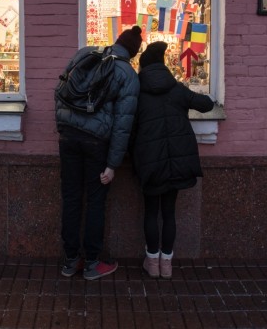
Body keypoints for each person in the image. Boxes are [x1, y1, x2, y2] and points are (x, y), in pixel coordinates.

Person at [55, 26, 143, 280]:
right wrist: (112, 164)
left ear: (117, 41)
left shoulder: (85, 53)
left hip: (68, 137)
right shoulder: (128, 74)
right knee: (95, 201)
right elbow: (122, 125)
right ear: (133, 53)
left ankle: (71, 260)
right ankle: (92, 262)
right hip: (96, 143)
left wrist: (63, 127)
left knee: (71, 198)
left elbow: (60, 90)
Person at [131, 41, 215, 279]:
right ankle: (166, 264)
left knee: (150, 212)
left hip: (150, 162)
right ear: (163, 66)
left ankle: (152, 263)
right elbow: (207, 105)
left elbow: (130, 128)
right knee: (169, 213)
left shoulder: (137, 93)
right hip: (177, 160)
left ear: (143, 68)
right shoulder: (177, 89)